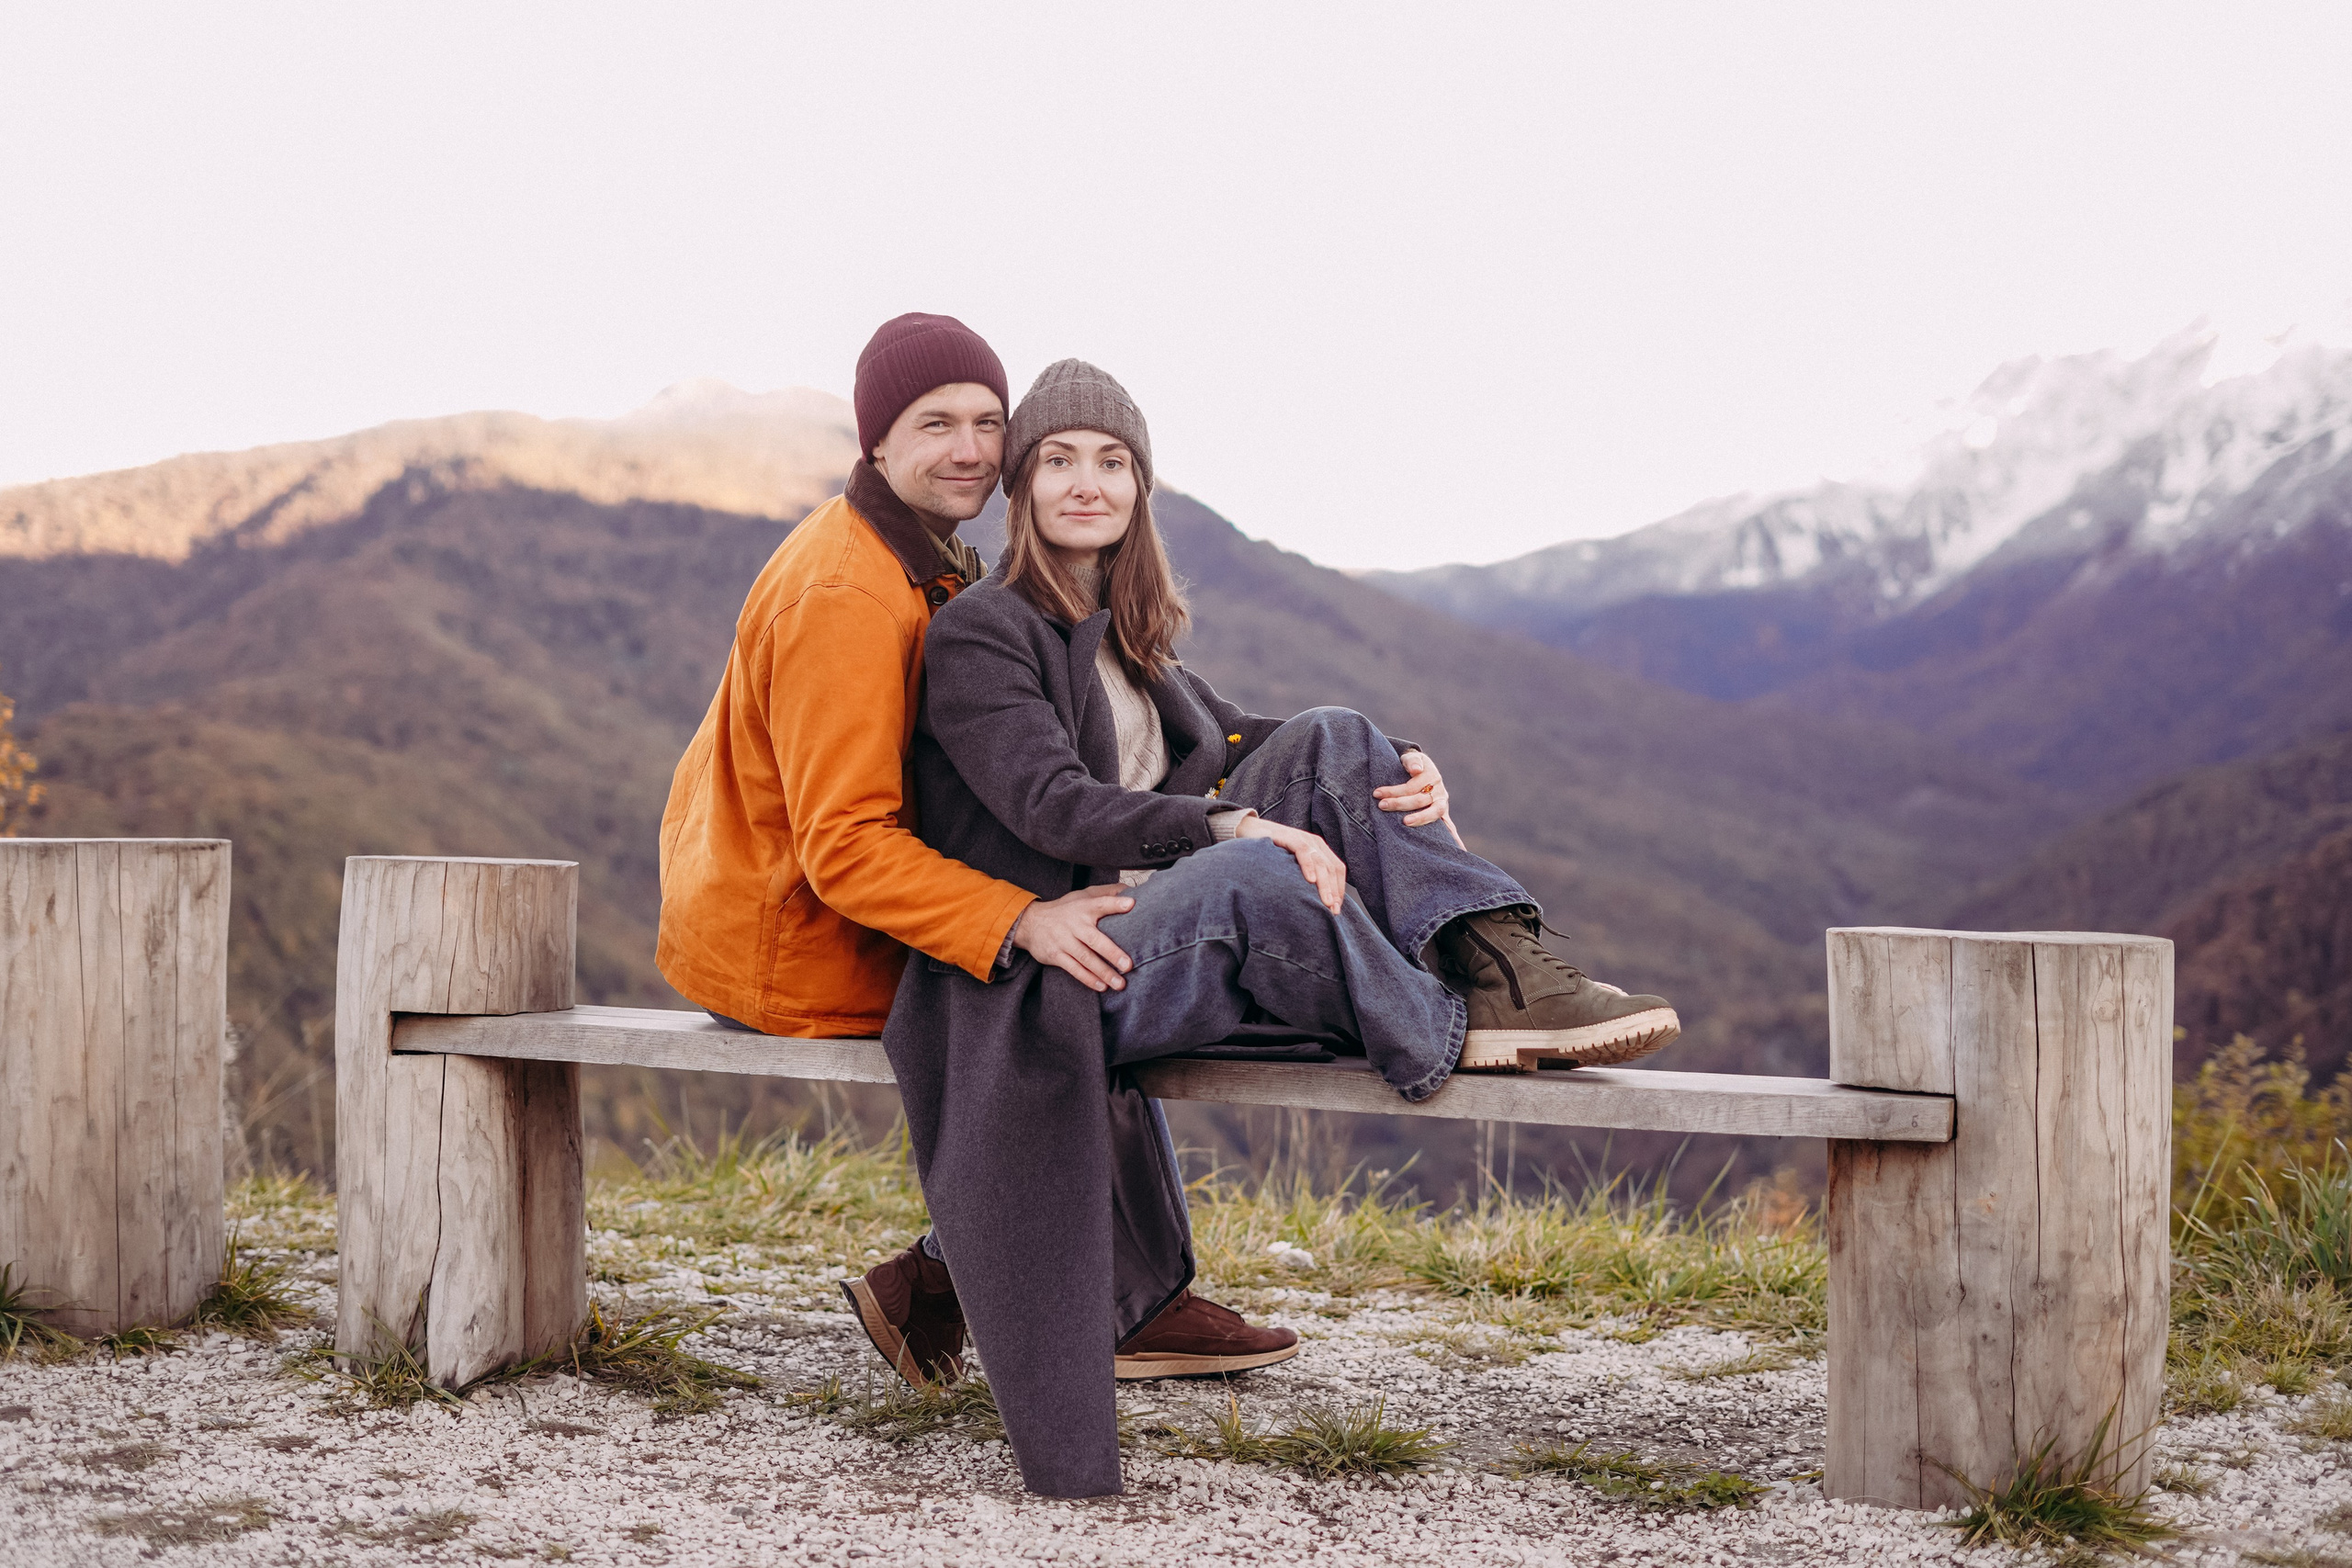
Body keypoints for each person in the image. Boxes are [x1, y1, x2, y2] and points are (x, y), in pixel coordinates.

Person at [884, 359, 1680, 1496]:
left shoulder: (1128, 635)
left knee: (1336, 732)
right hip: (1034, 970)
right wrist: (1233, 824)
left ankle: (1494, 952)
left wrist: (1402, 770)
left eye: (1112, 462)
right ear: (1018, 484)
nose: (1085, 483)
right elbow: (1049, 803)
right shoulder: (985, 631)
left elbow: (1242, 741)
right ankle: (1445, 1019)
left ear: (1140, 487)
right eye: (1057, 459)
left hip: (1122, 934)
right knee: (1257, 876)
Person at [655, 314, 1279, 1436]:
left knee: (1109, 948)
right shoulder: (845, 591)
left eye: (989, 423)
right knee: (1082, 984)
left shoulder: (921, 554)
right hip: (798, 939)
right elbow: (842, 846)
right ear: (876, 443)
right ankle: (1093, 1301)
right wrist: (1017, 919)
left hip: (847, 899)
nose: (968, 449)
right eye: (932, 423)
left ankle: (1007, 1288)